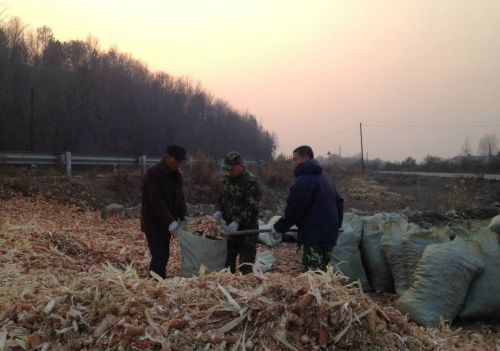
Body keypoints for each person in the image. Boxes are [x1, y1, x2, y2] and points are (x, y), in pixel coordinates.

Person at [271, 145, 343, 272]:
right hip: (329, 234)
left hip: (314, 236)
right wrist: (337, 226)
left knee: (312, 277)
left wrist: (278, 228)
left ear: (304, 158)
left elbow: (294, 209)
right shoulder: (325, 176)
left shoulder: (304, 180)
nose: (292, 162)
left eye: (295, 159)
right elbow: (339, 202)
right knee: (325, 275)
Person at [141, 145, 188, 278]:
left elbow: (180, 198)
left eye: (180, 161)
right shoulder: (154, 173)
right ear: (167, 156)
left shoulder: (177, 174)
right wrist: (170, 221)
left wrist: (184, 215)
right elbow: (156, 201)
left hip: (167, 225)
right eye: (176, 160)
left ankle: (158, 282)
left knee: (164, 255)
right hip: (154, 223)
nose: (178, 163)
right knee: (160, 256)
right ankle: (155, 285)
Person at [212, 151, 262, 275]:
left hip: (247, 230)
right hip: (230, 229)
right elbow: (219, 199)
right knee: (227, 263)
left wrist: (237, 221)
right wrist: (218, 211)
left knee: (246, 265)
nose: (229, 172)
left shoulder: (251, 182)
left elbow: (252, 207)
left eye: (232, 168)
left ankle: (245, 290)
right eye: (227, 169)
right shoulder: (226, 180)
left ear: (240, 165)